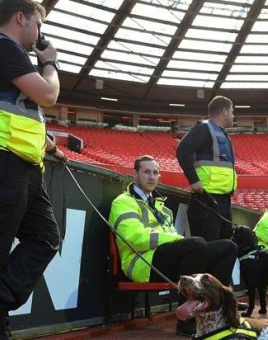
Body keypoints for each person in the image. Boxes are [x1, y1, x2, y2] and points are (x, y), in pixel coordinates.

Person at [0, 0, 67, 338]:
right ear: (20, 18)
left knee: (46, 238)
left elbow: (19, 108)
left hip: (22, 161)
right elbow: (48, 95)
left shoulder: (7, 55)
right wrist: (51, 64)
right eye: (36, 24)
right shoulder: (1, 47)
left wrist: (47, 144)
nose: (38, 34)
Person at [109, 155, 238, 337]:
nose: (152, 177)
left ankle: (216, 313)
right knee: (196, 244)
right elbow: (134, 237)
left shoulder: (162, 208)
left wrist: (174, 240)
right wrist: (174, 239)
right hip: (142, 264)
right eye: (146, 172)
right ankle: (186, 320)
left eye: (155, 173)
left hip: (165, 260)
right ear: (135, 175)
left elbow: (171, 239)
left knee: (228, 247)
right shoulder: (123, 202)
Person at [176, 96, 237, 241]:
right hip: (206, 201)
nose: (233, 116)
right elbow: (182, 150)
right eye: (232, 112)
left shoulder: (223, 134)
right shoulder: (204, 128)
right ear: (224, 111)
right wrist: (194, 180)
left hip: (223, 200)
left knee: (224, 248)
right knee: (209, 250)